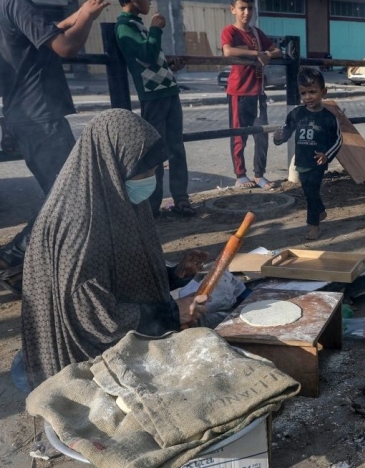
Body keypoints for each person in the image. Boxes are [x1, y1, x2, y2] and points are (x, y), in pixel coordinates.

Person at [19, 109, 209, 389]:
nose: (151, 177)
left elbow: (126, 269)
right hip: (83, 359)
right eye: (145, 170)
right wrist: (171, 313)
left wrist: (175, 274)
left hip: (119, 328)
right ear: (114, 163)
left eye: (155, 169)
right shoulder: (79, 223)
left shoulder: (117, 197)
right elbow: (90, 316)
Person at [0, 0, 110, 294]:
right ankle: (13, 256)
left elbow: (52, 30)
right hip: (40, 116)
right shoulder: (16, 2)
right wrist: (88, 16)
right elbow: (65, 47)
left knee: (63, 196)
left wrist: (82, 10)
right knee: (70, 197)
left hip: (27, 116)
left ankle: (21, 266)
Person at [116, 0, 194, 217]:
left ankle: (181, 198)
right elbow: (147, 54)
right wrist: (156, 28)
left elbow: (150, 60)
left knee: (176, 147)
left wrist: (168, 66)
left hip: (167, 91)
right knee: (155, 151)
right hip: (153, 96)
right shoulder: (124, 27)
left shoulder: (135, 23)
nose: (149, 1)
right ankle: (152, 205)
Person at [273, 68, 342, 240]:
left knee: (311, 192)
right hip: (301, 161)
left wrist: (326, 155)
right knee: (308, 191)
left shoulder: (329, 118)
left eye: (312, 92)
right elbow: (286, 132)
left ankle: (313, 225)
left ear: (323, 92)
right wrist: (278, 138)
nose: (308, 97)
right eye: (303, 93)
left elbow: (338, 140)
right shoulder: (296, 114)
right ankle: (320, 211)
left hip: (317, 162)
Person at [221, 0, 282, 189]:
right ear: (233, 10)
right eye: (242, 8)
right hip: (238, 92)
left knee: (262, 135)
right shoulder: (230, 31)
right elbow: (228, 51)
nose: (246, 12)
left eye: (250, 8)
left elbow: (277, 51)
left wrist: (266, 54)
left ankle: (259, 175)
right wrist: (257, 53)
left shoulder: (256, 33)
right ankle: (240, 175)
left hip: (258, 92)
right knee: (239, 136)